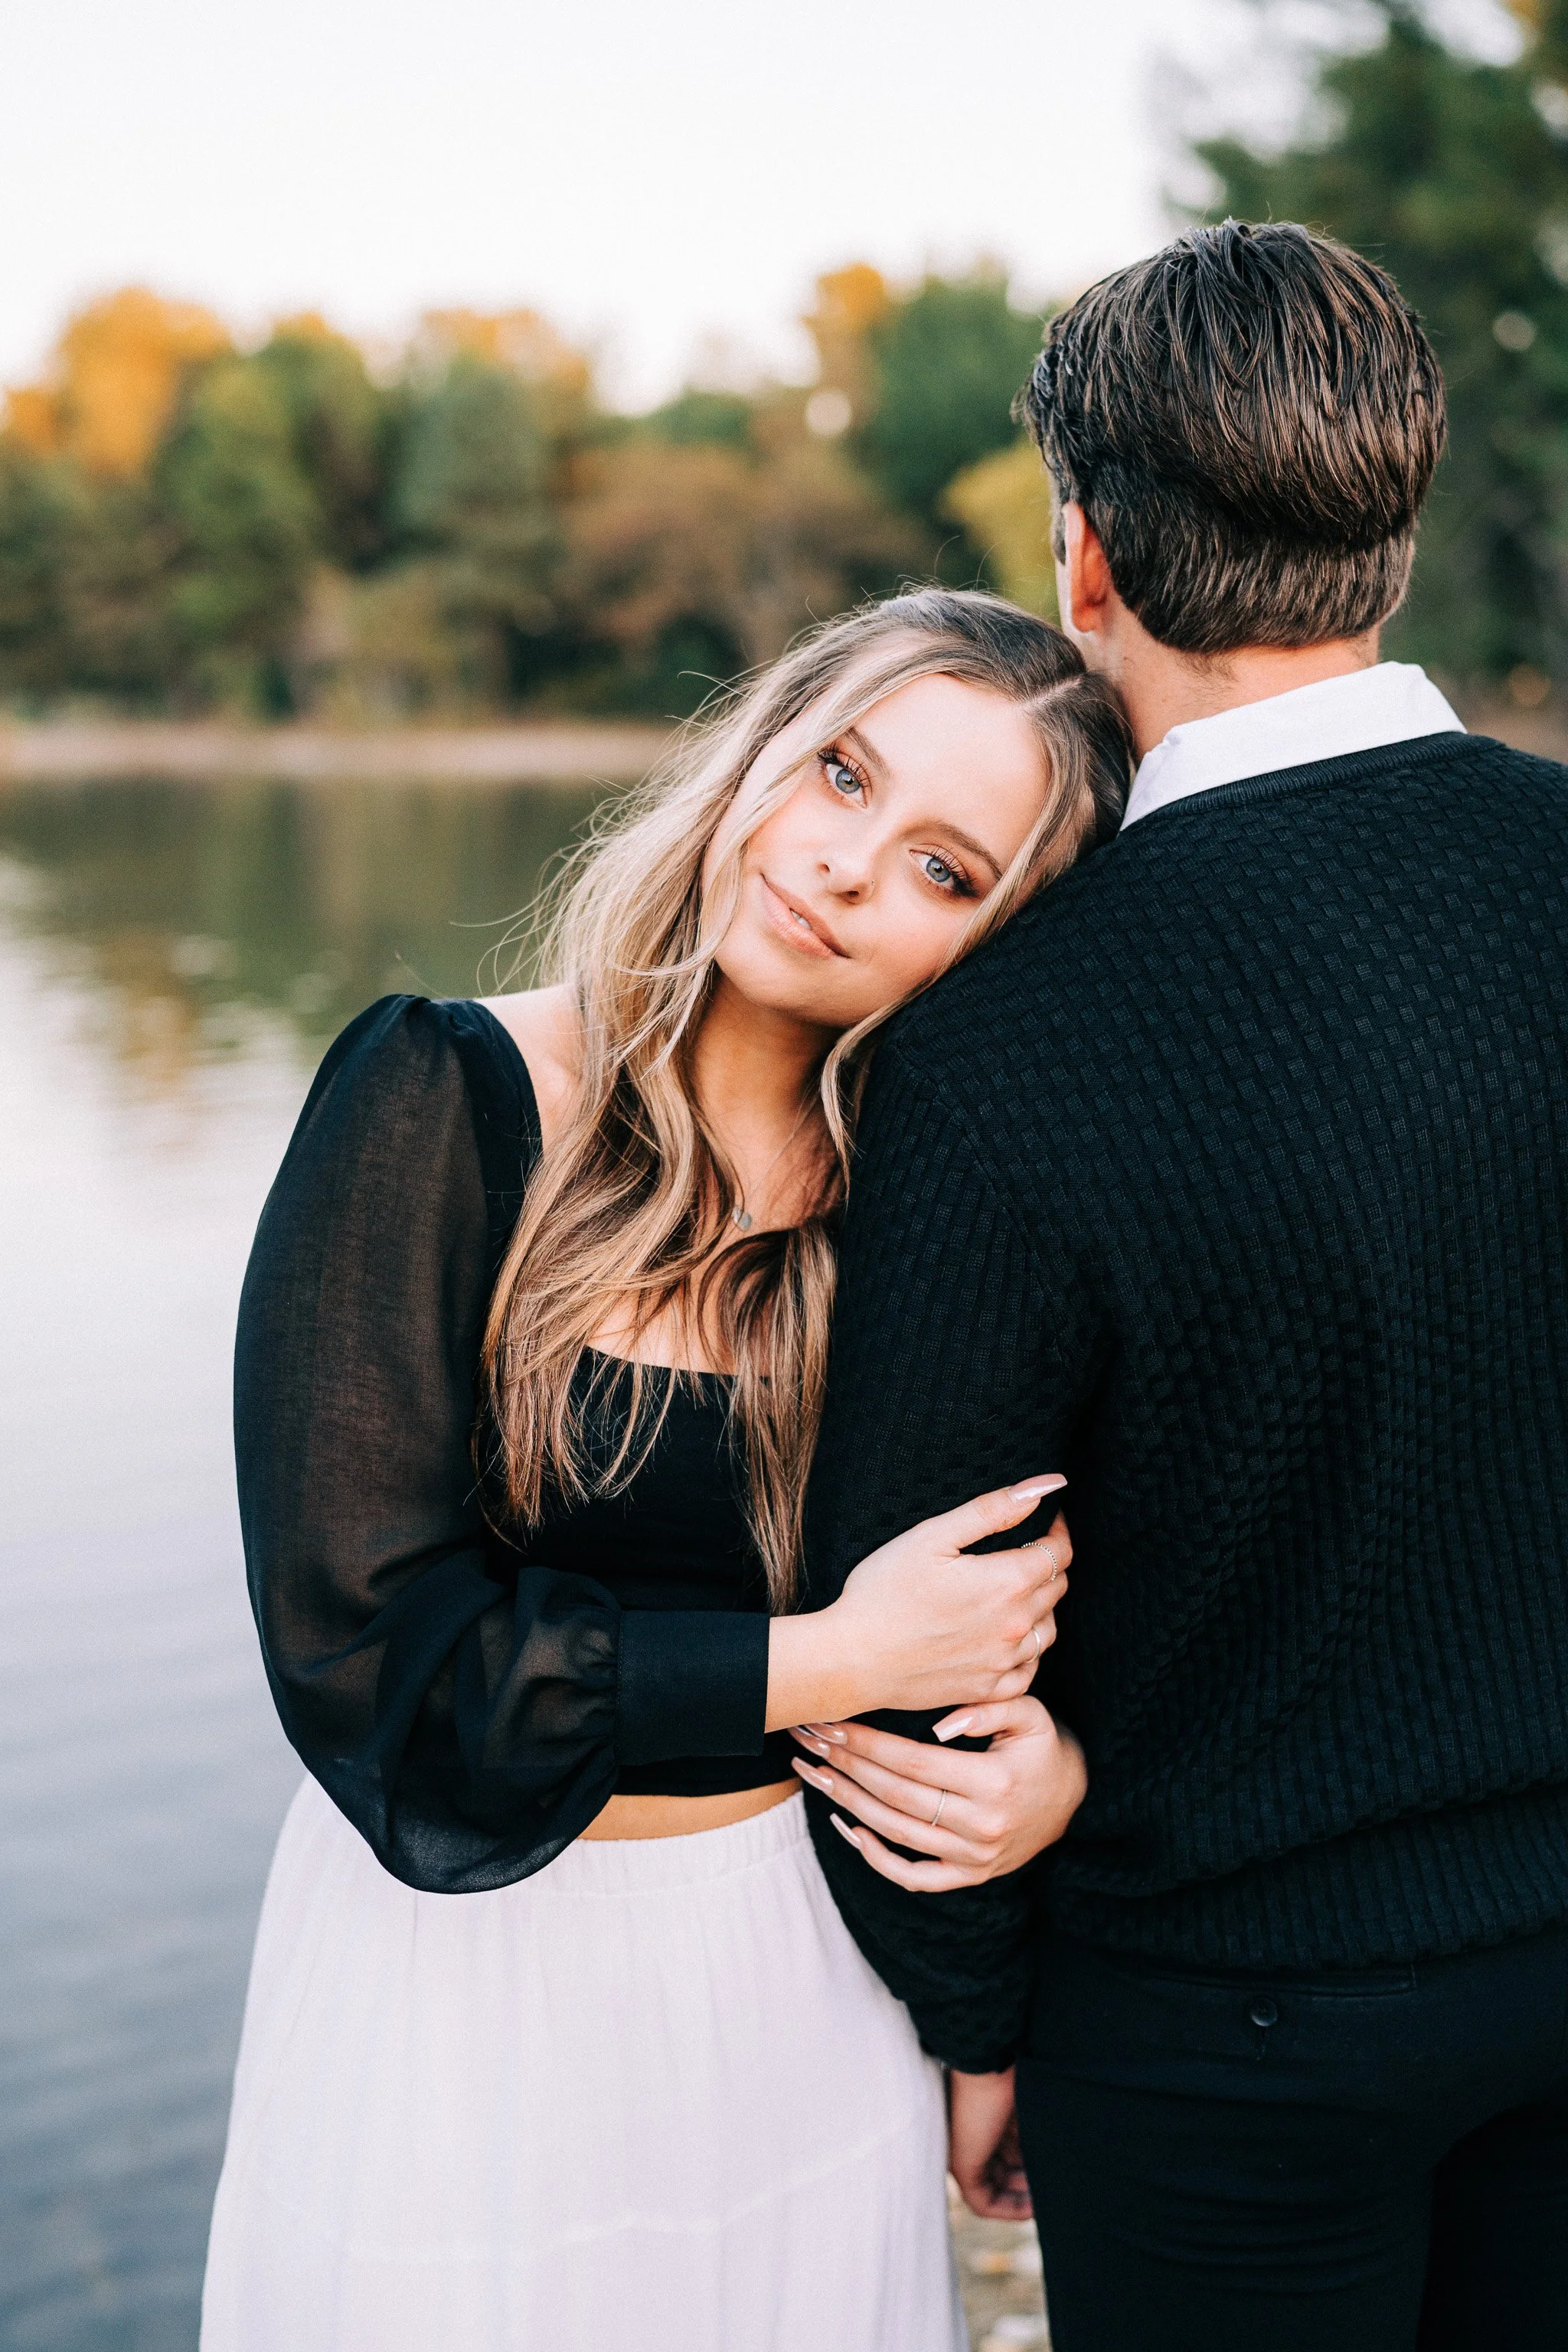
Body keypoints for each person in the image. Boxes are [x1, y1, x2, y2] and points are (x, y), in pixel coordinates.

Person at [793, 223, 1568, 2351]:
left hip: (1221, 2032)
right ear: (1386, 542)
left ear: (1086, 564)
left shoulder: (990, 1044)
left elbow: (921, 1630)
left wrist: (974, 2021)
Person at [201, 588, 1129, 2352]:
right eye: (842, 775)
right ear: (763, 744)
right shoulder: (444, 1097)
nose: (845, 866)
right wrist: (835, 1662)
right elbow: (374, 1664)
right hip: (458, 1988)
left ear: (1003, 943)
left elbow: (1084, 1606)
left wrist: (1053, 1789)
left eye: (947, 870)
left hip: (810, 1982)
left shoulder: (940, 1224)